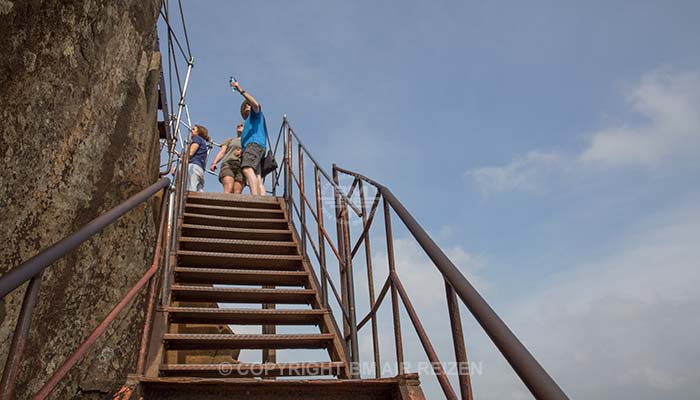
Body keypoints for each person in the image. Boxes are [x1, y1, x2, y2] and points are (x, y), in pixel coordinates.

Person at [230, 79, 266, 196]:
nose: (247, 106)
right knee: (257, 176)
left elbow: (256, 104)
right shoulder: (249, 122)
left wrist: (240, 89)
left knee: (246, 168)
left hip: (254, 145)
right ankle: (263, 198)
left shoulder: (255, 114)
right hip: (256, 147)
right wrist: (243, 151)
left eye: (247, 104)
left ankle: (255, 197)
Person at [210, 122, 245, 194]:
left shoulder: (249, 142)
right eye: (237, 125)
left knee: (237, 193)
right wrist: (214, 162)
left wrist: (243, 151)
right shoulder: (230, 140)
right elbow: (222, 152)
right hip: (228, 164)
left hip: (242, 166)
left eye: (241, 125)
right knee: (228, 189)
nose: (239, 126)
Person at [187, 124, 210, 192]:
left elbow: (190, 153)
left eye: (193, 129)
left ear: (198, 132)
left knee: (190, 190)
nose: (191, 130)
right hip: (199, 169)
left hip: (192, 167)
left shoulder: (197, 138)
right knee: (198, 191)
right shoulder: (203, 142)